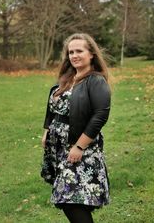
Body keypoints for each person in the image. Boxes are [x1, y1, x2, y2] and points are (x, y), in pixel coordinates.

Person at [41, 33, 111, 223]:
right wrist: (47, 131)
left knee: (70, 200)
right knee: (67, 199)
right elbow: (53, 110)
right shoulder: (67, 79)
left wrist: (79, 147)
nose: (74, 55)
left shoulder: (96, 81)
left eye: (79, 51)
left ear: (91, 54)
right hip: (58, 149)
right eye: (71, 52)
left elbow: (100, 115)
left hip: (80, 147)